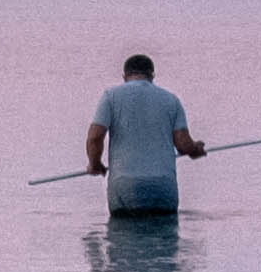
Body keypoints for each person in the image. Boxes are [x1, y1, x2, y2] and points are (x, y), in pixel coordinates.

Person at [85, 50, 206, 219]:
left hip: (124, 189)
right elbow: (184, 145)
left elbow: (95, 137)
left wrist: (95, 164)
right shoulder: (171, 100)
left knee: (123, 241)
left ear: (124, 76)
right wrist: (196, 149)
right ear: (152, 75)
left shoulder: (110, 97)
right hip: (163, 188)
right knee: (164, 242)